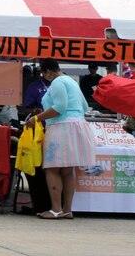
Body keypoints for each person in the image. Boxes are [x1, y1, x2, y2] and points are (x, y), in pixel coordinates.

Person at [24, 58, 96, 219]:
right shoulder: (72, 82)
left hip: (61, 128)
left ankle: (56, 209)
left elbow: (60, 107)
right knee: (68, 171)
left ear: (48, 71)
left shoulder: (57, 82)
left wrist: (36, 118)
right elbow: (85, 106)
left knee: (52, 169)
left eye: (44, 74)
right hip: (76, 126)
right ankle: (67, 209)